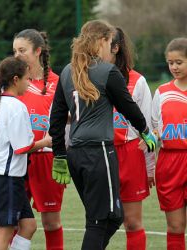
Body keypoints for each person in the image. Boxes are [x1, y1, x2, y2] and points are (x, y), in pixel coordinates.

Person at [48, 20, 157, 250]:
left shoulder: (67, 71)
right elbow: (129, 108)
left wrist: (59, 154)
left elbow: (56, 119)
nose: (111, 47)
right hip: (99, 154)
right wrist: (146, 132)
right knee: (99, 221)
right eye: (109, 42)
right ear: (101, 41)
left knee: (113, 216)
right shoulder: (108, 71)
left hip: (75, 155)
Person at [0, 56, 52, 250]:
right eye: (27, 79)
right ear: (15, 79)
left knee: (28, 226)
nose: (29, 84)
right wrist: (46, 142)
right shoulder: (16, 106)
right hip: (6, 176)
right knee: (5, 230)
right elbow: (23, 147)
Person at [13, 29, 65, 250]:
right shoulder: (14, 83)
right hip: (18, 159)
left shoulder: (59, 82)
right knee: (16, 221)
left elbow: (71, 117)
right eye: (14, 50)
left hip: (46, 158)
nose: (17, 55)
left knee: (51, 223)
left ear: (38, 51)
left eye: (22, 50)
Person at [109, 27, 156, 250]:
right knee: (99, 222)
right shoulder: (89, 77)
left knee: (132, 223)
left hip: (129, 154)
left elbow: (146, 128)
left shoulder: (137, 81)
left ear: (116, 47)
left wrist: (149, 167)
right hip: (101, 152)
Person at [152, 37, 187, 250]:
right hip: (169, 163)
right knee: (175, 227)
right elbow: (155, 129)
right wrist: (151, 138)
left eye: (179, 62)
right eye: (170, 62)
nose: (174, 67)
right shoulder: (162, 92)